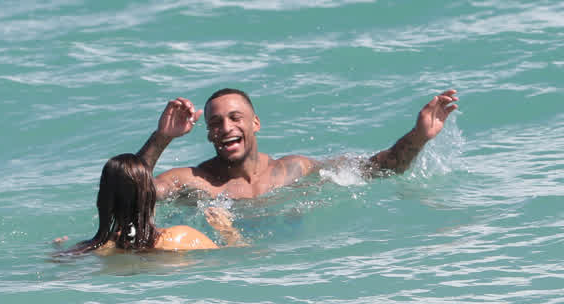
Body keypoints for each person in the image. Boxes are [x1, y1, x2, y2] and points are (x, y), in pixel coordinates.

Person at [137, 88, 459, 200]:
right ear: (208, 134)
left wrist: (418, 136)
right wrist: (162, 137)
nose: (225, 128)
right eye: (215, 123)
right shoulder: (195, 182)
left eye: (235, 118)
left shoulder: (294, 169)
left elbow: (382, 168)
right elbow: (131, 192)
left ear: (255, 123)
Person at [60, 153, 225, 255]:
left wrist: (59, 248)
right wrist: (226, 231)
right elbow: (225, 258)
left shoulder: (95, 249)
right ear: (151, 197)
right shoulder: (181, 237)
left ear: (103, 201)